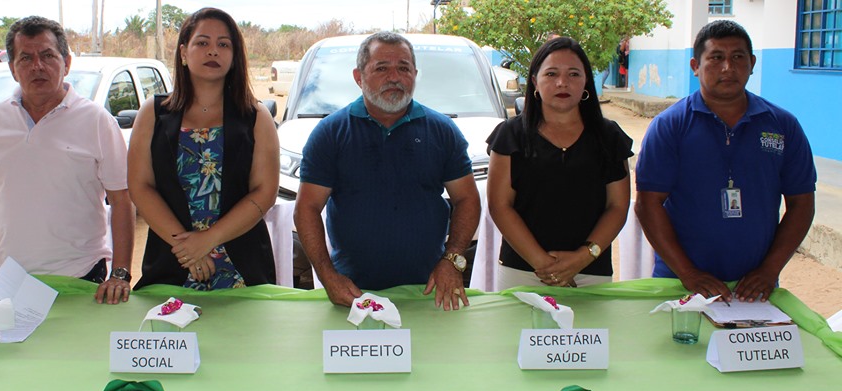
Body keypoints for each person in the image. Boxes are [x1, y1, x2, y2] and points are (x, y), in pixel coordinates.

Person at [0, 16, 135, 310]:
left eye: (47, 56)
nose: (37, 66)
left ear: (66, 63)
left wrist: (120, 272)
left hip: (80, 277)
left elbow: (122, 200)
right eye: (25, 58)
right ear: (13, 69)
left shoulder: (97, 121)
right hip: (4, 278)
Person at [294, 31, 481, 311]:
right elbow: (306, 208)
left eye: (403, 68)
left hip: (429, 289)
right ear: (359, 77)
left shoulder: (442, 131)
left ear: (415, 74)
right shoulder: (331, 133)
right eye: (381, 68)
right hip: (353, 293)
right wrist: (327, 276)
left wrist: (452, 261)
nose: (394, 77)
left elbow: (467, 199)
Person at [634, 20, 816, 303]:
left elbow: (802, 203)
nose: (728, 68)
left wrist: (769, 270)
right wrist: (689, 274)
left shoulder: (782, 125)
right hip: (680, 283)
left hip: (754, 287)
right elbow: (648, 203)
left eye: (738, 57)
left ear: (752, 62)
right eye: (716, 57)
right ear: (695, 65)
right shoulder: (670, 126)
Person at [127, 7, 279, 290]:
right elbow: (140, 187)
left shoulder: (256, 116)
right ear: (184, 53)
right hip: (172, 262)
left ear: (234, 57)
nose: (213, 51)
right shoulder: (153, 113)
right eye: (202, 42)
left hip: (243, 268)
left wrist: (208, 240)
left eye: (223, 44)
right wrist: (188, 250)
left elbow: (265, 192)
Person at [486, 36, 632, 290]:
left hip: (591, 272)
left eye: (574, 74)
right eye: (551, 73)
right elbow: (500, 206)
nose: (562, 82)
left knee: (590, 332)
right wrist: (546, 266)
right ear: (534, 81)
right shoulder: (510, 135)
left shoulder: (609, 136)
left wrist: (581, 258)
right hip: (522, 272)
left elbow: (618, 206)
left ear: (586, 80)